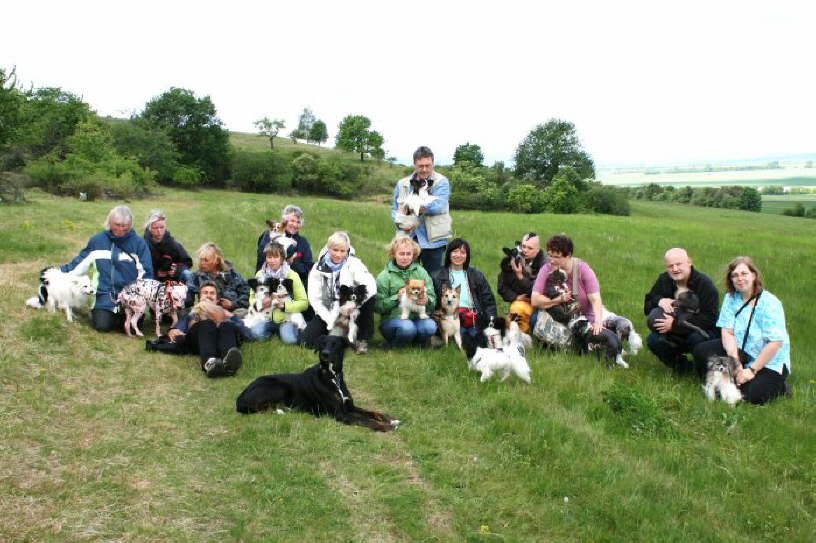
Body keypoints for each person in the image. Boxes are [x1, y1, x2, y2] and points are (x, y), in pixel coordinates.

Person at [692, 257, 791, 404]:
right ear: (731, 280)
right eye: (735, 275)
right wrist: (735, 360)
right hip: (741, 351)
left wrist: (751, 371)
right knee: (701, 350)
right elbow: (727, 331)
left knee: (748, 396)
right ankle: (725, 380)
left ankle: (780, 386)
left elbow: (775, 343)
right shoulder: (731, 298)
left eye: (744, 273)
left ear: (754, 275)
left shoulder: (770, 303)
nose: (739, 278)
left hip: (768, 359)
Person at [59, 205, 153, 332]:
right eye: (117, 225)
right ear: (109, 222)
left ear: (130, 224)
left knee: (133, 327)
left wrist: (137, 296)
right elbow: (79, 265)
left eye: (125, 225)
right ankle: (111, 315)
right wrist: (57, 272)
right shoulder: (97, 241)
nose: (121, 229)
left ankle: (125, 315)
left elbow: (146, 273)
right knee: (103, 326)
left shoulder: (139, 244)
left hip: (131, 296)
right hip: (104, 294)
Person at [530, 234, 619, 352]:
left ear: (569, 256)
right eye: (549, 255)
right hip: (557, 314)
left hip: (583, 315)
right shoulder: (546, 269)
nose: (551, 260)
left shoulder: (582, 269)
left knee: (596, 335)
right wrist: (558, 300)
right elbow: (534, 300)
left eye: (557, 257)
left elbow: (595, 298)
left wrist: (598, 322)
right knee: (534, 319)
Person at [147, 281, 250, 378]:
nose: (208, 295)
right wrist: (173, 330)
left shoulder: (225, 313)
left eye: (212, 293)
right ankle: (209, 363)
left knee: (226, 325)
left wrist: (230, 316)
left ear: (218, 300)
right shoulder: (191, 313)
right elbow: (179, 329)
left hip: (223, 342)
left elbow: (245, 333)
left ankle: (228, 363)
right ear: (199, 298)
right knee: (207, 324)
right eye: (205, 293)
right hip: (199, 342)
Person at [644, 248, 719, 374]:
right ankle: (683, 368)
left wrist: (674, 325)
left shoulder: (705, 285)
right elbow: (647, 307)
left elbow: (708, 319)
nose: (675, 269)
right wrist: (659, 301)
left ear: (689, 262)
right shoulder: (665, 280)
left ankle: (702, 368)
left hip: (701, 330)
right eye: (670, 266)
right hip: (674, 332)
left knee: (696, 339)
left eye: (678, 264)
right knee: (653, 340)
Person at [301, 231, 377, 354]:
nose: (338, 254)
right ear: (328, 248)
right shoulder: (317, 268)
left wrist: (354, 306)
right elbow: (315, 299)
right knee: (306, 342)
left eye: (342, 251)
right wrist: (330, 319)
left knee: (370, 297)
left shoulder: (354, 263)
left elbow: (371, 287)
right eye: (335, 250)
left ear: (347, 250)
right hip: (328, 310)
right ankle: (335, 334)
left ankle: (362, 338)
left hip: (352, 309)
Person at [391, 146, 451, 274]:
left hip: (433, 241)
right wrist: (400, 224)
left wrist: (414, 207)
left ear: (433, 163)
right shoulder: (402, 183)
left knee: (434, 278)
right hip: (407, 239)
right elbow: (395, 209)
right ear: (414, 164)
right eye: (420, 166)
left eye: (428, 165)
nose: (424, 169)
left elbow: (438, 206)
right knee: (405, 276)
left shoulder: (441, 182)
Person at [375, 235, 437, 349]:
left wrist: (427, 300)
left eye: (408, 254)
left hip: (417, 317)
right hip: (392, 320)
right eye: (401, 254)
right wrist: (396, 297)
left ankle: (417, 344)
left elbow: (433, 299)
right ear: (394, 254)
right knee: (407, 328)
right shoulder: (384, 276)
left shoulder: (421, 272)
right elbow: (378, 306)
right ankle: (393, 344)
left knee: (430, 326)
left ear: (413, 255)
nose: (405, 257)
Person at [430, 238, 497, 339]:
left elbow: (488, 302)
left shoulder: (476, 275)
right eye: (455, 251)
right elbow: (432, 304)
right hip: (451, 318)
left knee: (478, 338)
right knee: (463, 338)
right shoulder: (436, 276)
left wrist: (491, 323)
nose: (459, 255)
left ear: (467, 255)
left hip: (474, 318)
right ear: (449, 254)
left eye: (463, 252)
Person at [250, 241, 309, 344]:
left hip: (287, 317)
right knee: (255, 335)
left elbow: (304, 303)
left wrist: (284, 306)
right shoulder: (260, 274)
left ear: (282, 258)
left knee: (289, 340)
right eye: (269, 257)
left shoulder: (292, 275)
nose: (272, 260)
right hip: (265, 316)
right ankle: (273, 331)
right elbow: (251, 298)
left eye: (275, 257)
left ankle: (287, 329)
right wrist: (261, 303)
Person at [497, 232, 547, 333]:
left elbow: (537, 290)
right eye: (523, 246)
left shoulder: (545, 263)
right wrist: (515, 297)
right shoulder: (513, 259)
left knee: (535, 321)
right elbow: (501, 287)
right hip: (521, 302)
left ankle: (534, 332)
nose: (525, 250)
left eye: (530, 248)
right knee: (517, 309)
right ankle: (519, 335)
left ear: (538, 249)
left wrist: (520, 275)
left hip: (541, 304)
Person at [255, 204, 314, 288]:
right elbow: (262, 258)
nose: (295, 225)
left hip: (294, 286)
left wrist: (292, 263)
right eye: (292, 221)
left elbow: (307, 269)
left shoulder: (303, 242)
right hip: (268, 282)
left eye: (298, 222)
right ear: (284, 221)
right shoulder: (269, 235)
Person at [187, 242, 250, 312]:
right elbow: (188, 298)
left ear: (216, 261)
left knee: (242, 312)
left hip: (232, 312)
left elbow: (247, 294)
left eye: (206, 260)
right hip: (207, 313)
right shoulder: (196, 277)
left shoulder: (233, 276)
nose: (202, 263)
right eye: (201, 260)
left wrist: (233, 304)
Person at [142, 209, 193, 283]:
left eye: (162, 227)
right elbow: (139, 268)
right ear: (149, 228)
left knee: (188, 275)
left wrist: (177, 270)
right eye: (155, 228)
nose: (159, 231)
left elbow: (187, 261)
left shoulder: (172, 244)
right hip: (151, 281)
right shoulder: (143, 245)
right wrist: (156, 273)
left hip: (173, 280)